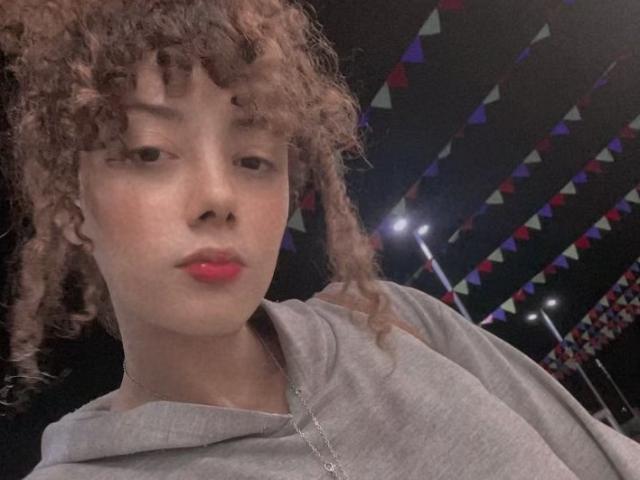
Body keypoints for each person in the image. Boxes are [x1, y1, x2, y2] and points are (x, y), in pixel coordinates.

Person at [1, 1, 639, 479]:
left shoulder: (397, 327)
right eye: (149, 151)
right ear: (69, 207)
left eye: (254, 159)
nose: (218, 197)